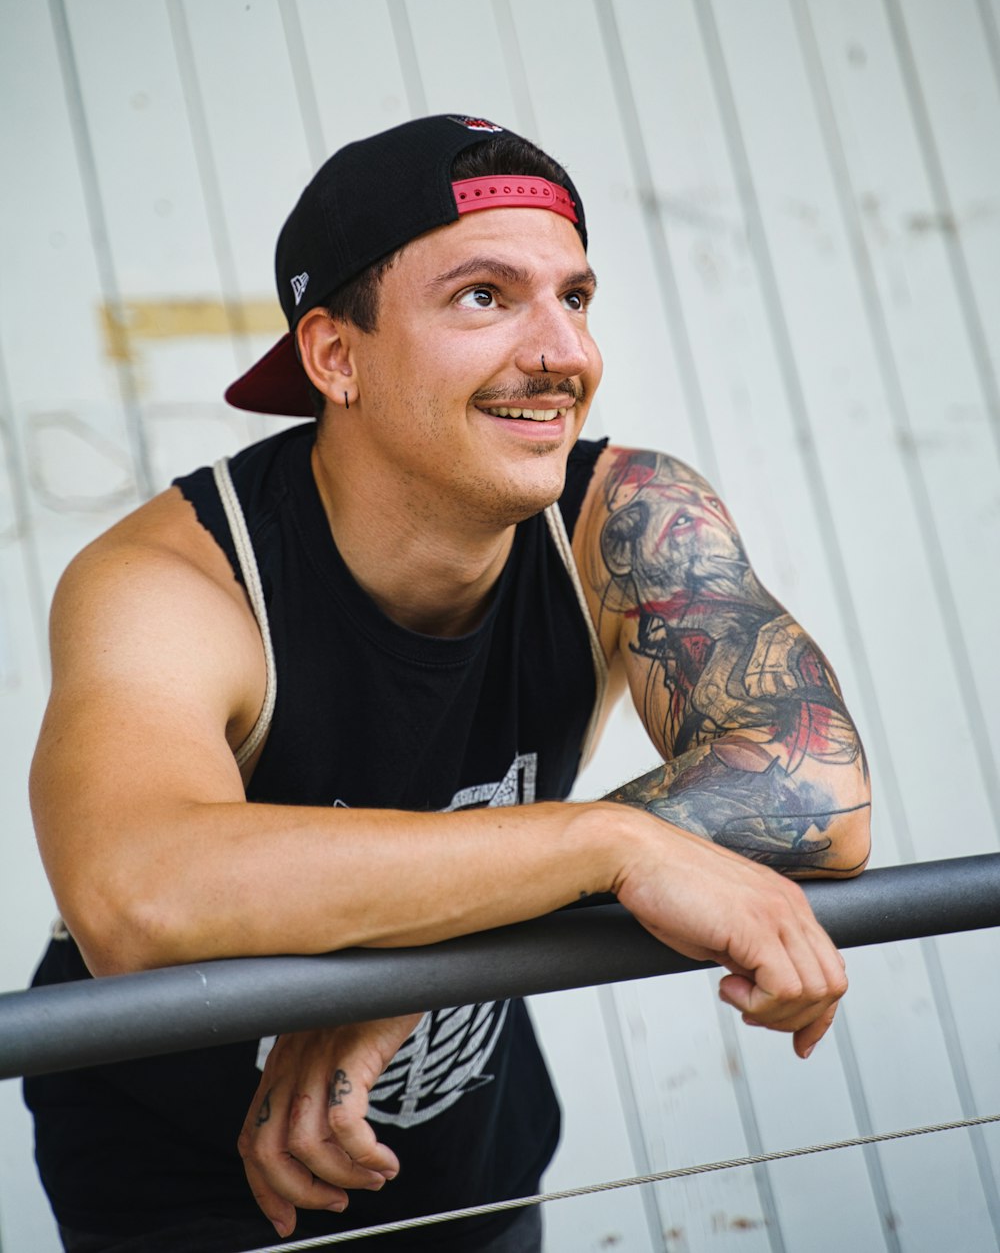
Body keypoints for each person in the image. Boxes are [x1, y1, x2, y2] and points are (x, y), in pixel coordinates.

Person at [25, 114, 870, 1253]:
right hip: (194, 1183)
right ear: (335, 356)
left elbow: (813, 784)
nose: (562, 352)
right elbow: (138, 895)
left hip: (476, 1160)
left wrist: (397, 977)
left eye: (573, 297)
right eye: (484, 296)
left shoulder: (622, 516)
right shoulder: (177, 579)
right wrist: (605, 846)